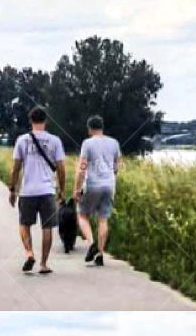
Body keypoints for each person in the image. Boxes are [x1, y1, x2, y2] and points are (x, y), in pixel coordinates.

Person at [9, 106, 66, 274]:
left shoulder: (22, 140)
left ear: (31, 120)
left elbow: (15, 168)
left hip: (28, 191)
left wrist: (13, 189)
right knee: (47, 227)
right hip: (47, 190)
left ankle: (29, 253)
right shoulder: (55, 141)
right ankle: (43, 264)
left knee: (24, 224)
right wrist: (62, 190)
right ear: (46, 120)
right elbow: (61, 168)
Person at [74, 115, 122, 267]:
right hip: (109, 185)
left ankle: (91, 243)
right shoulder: (114, 143)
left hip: (92, 184)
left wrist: (77, 189)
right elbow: (116, 167)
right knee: (103, 219)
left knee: (82, 214)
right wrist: (110, 177)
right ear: (102, 127)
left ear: (89, 129)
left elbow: (82, 169)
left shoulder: (87, 143)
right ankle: (100, 254)